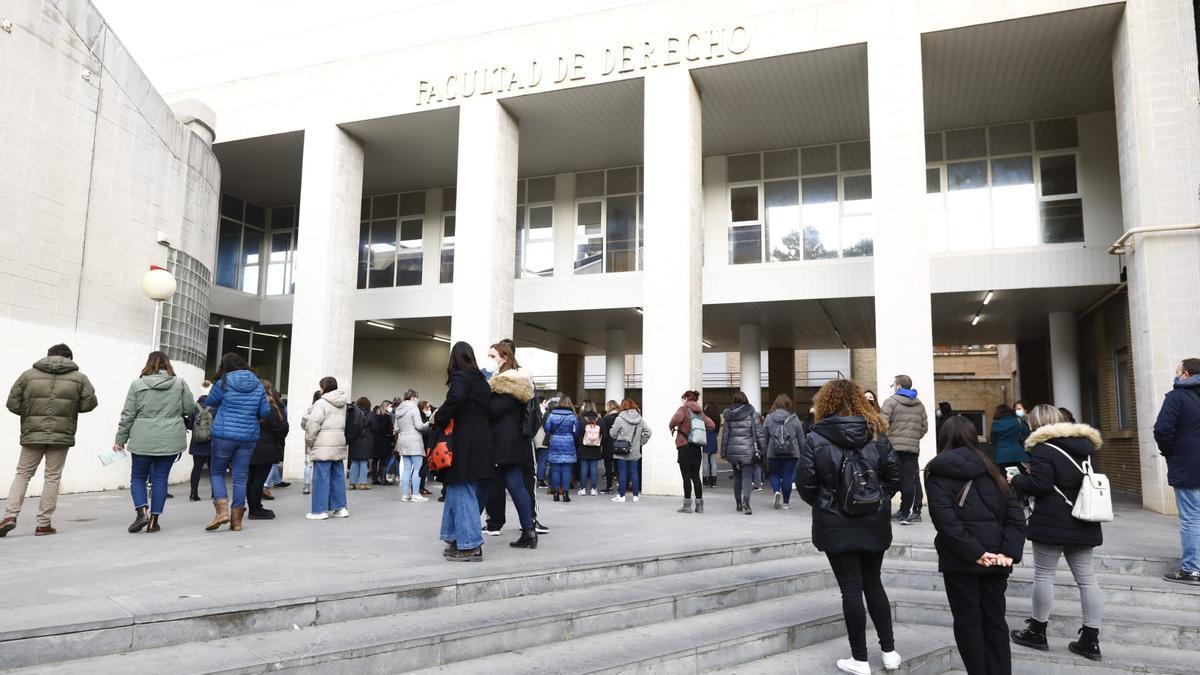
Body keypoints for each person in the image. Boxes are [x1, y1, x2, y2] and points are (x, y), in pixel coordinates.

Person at [797, 378, 902, 675]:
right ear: (859, 399)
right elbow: (894, 477)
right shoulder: (877, 433)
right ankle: (889, 651)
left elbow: (805, 484)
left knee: (851, 589)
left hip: (835, 523)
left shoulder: (816, 436)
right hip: (873, 521)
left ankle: (859, 659)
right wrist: (876, 498)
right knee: (874, 583)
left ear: (827, 401)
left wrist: (827, 502)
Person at [926, 415, 1026, 675]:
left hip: (961, 560)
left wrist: (976, 553)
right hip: (996, 559)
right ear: (973, 437)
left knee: (968, 623)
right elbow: (1016, 518)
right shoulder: (993, 470)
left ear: (943, 438)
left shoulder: (936, 470)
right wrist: (1007, 553)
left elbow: (945, 522)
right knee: (995, 622)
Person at [1009, 404, 1104, 661]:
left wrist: (1017, 480)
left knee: (1044, 575)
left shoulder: (1042, 448)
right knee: (1087, 579)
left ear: (1035, 424)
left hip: (1052, 520)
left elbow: (1041, 485)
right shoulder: (1084, 447)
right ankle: (1090, 640)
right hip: (1083, 518)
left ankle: (1037, 632)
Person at [2, 344, 97, 538]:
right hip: (61, 435)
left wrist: (31, 414)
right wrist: (70, 410)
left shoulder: (28, 375)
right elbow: (89, 403)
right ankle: (43, 524)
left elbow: (12, 402)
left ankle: (10, 515)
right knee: (52, 477)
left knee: (23, 473)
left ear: (47, 356)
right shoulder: (79, 378)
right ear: (69, 358)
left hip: (32, 433)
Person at [113, 352, 196, 534]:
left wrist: (120, 439)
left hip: (143, 438)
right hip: (170, 438)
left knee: (138, 477)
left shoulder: (137, 384)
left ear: (148, 364)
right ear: (168, 365)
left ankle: (141, 512)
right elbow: (190, 408)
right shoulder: (179, 383)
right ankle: (153, 521)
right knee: (160, 478)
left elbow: (128, 414)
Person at [433, 342, 493, 562]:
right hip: (481, 440)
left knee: (462, 487)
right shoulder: (481, 381)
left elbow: (455, 400)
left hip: (464, 441)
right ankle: (455, 537)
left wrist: (438, 417)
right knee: (458, 489)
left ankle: (470, 545)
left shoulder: (461, 376)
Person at [203, 353, 271, 532]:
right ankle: (237, 521)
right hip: (248, 436)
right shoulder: (258, 384)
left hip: (224, 435)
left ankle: (222, 512)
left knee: (217, 472)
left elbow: (210, 402)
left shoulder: (223, 382)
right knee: (240, 477)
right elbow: (265, 412)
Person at [484, 342, 539, 549]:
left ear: (504, 357)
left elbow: (494, 410)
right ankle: (529, 531)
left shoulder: (508, 383)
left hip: (504, 443)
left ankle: (466, 532)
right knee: (516, 486)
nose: (489, 359)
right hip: (512, 443)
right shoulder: (513, 381)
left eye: (492, 356)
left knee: (494, 485)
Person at [1153, 357, 1200, 585]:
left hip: (1189, 465)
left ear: (1186, 374)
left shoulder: (1177, 397)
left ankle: (1192, 569)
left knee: (1191, 517)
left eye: (1178, 371)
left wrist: (1171, 451)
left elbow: (1162, 429)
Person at [880, 374, 929, 525]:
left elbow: (882, 423)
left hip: (893, 448)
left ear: (899, 386)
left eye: (894, 384)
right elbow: (924, 428)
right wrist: (912, 439)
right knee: (909, 481)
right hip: (911, 450)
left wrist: (889, 438)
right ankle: (905, 513)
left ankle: (882, 511)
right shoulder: (919, 405)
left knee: (888, 478)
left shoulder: (891, 402)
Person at [305, 377, 350, 521]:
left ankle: (319, 510)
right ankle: (340, 508)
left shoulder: (321, 403)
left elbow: (313, 423)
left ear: (324, 387)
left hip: (323, 445)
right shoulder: (342, 403)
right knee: (338, 477)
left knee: (321, 478)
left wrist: (309, 441)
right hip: (338, 443)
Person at [718, 391, 766, 515]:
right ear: (746, 400)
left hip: (733, 451)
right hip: (748, 451)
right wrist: (764, 449)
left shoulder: (729, 416)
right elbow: (760, 434)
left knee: (737, 477)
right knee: (747, 477)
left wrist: (723, 452)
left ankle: (738, 503)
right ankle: (747, 502)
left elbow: (725, 435)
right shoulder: (752, 414)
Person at [669, 390, 715, 514]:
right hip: (696, 448)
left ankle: (687, 505)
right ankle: (700, 506)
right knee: (696, 477)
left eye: (683, 398)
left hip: (684, 447)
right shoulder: (700, 412)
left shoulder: (683, 409)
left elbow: (673, 421)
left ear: (686, 398)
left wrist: (672, 426)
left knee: (686, 477)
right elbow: (712, 426)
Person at [247, 380, 288, 520]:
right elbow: (280, 428)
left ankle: (253, 507)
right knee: (258, 479)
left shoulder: (250, 404)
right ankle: (255, 509)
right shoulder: (270, 407)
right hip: (265, 446)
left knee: (252, 478)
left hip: (250, 444)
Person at [764, 393, 806, 510]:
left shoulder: (769, 418)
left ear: (776, 404)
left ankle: (777, 491)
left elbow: (764, 437)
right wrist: (804, 454)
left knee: (774, 474)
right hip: (792, 453)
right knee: (787, 476)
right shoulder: (795, 418)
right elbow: (801, 438)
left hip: (773, 452)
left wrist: (764, 452)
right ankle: (786, 503)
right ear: (788, 404)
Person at [610, 399, 651, 502]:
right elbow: (648, 432)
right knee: (634, 472)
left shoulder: (619, 419)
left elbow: (612, 434)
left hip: (621, 450)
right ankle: (635, 496)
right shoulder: (640, 419)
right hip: (635, 450)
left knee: (622, 472)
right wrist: (640, 443)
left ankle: (622, 496)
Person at [393, 389, 430, 502]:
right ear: (413, 397)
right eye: (417, 397)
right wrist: (429, 423)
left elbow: (396, 428)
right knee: (417, 468)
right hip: (414, 441)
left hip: (403, 440)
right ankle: (415, 494)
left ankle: (405, 495)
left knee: (406, 469)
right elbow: (419, 426)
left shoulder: (398, 409)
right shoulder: (414, 408)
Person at [543, 396, 579, 503]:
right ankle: (566, 494)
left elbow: (547, 429)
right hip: (568, 442)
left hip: (555, 442)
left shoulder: (552, 415)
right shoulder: (572, 416)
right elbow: (577, 432)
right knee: (567, 470)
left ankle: (555, 494)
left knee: (555, 469)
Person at [185, 394, 211, 501]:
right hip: (212, 443)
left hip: (197, 443)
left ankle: (193, 493)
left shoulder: (194, 408)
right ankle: (215, 493)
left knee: (197, 468)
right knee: (214, 470)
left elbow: (189, 425)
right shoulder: (214, 407)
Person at [346, 397, 374, 491]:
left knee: (354, 462)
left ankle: (352, 483)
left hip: (354, 440)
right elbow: (375, 427)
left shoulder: (354, 413)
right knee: (363, 462)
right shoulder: (370, 414)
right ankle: (363, 483)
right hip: (365, 441)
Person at [990, 404, 1028, 472]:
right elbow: (1026, 433)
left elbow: (993, 440)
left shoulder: (995, 423)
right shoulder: (1018, 421)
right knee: (1021, 478)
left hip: (1001, 456)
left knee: (1005, 479)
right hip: (1018, 454)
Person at [576, 401, 603, 496]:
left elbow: (577, 434)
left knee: (584, 468)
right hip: (595, 447)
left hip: (583, 447)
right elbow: (605, 434)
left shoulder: (581, 419)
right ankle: (593, 489)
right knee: (594, 468)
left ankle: (583, 489)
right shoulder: (599, 420)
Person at [301, 390, 321, 495]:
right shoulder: (324, 410)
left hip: (309, 439)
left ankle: (306, 486)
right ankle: (318, 486)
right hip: (321, 439)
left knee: (308, 464)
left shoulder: (309, 410)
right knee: (320, 464)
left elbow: (303, 425)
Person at [599, 400, 619, 494]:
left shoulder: (606, 419)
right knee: (618, 467)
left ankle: (609, 487)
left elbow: (603, 433)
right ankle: (620, 486)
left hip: (608, 445)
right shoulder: (620, 417)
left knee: (608, 467)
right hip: (619, 445)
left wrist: (602, 443)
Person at [702, 402, 722, 488]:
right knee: (713, 461)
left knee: (705, 460)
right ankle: (713, 481)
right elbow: (717, 430)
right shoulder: (717, 417)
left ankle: (705, 479)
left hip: (705, 438)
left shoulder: (704, 416)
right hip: (713, 437)